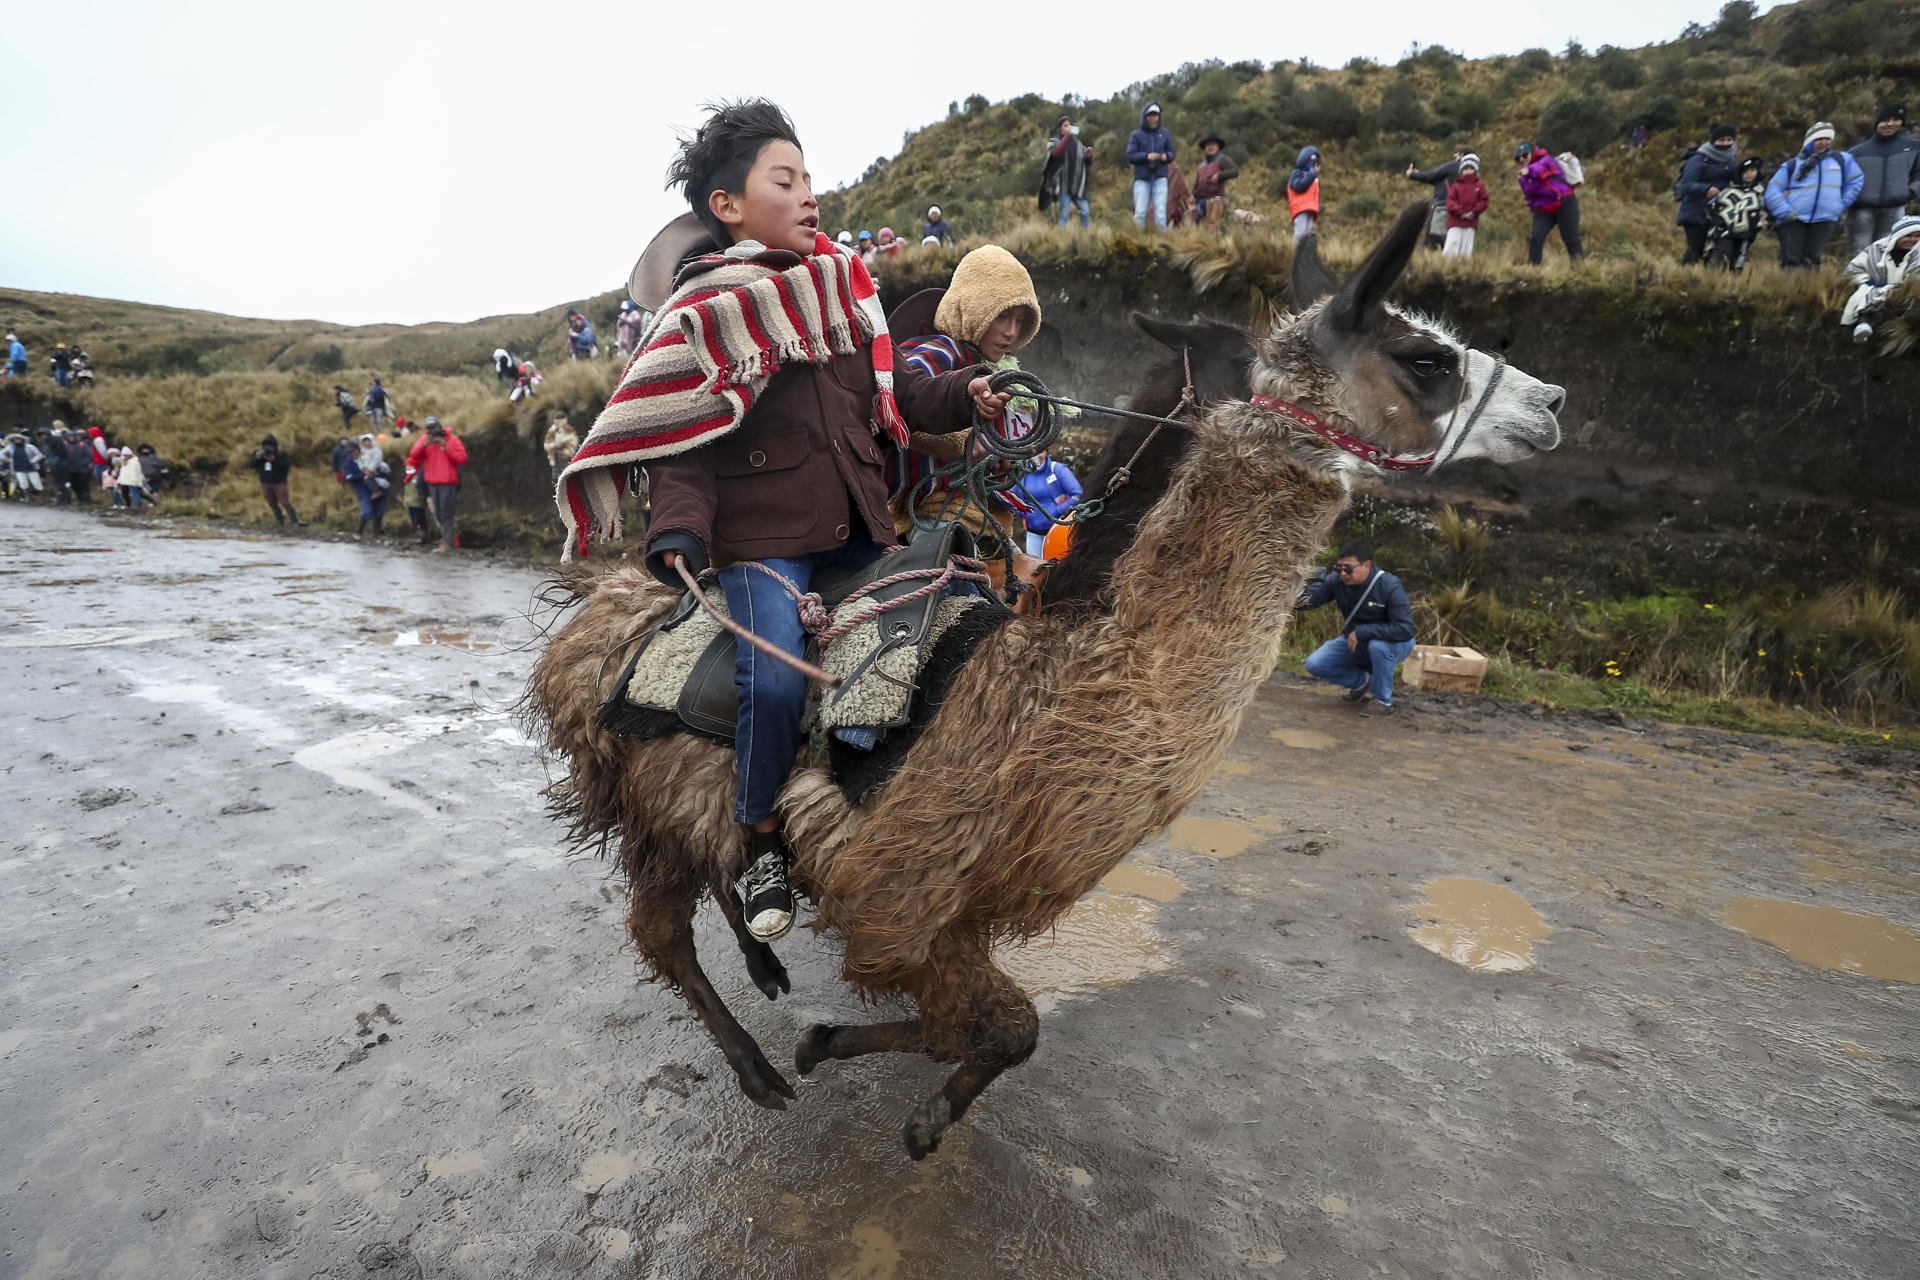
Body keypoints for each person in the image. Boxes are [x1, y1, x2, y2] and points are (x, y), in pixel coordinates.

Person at [556, 99, 1008, 943]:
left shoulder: (842, 289)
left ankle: (896, 819)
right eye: (786, 180)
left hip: (864, 528)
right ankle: (761, 835)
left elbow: (900, 394)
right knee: (771, 679)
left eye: (809, 178)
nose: (809, 195)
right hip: (764, 545)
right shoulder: (704, 316)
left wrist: (964, 393)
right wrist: (678, 533)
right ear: (727, 206)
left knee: (964, 625)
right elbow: (682, 445)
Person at [887, 244, 1045, 590]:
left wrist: (1002, 455)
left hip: (979, 511)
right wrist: (966, 443)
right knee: (961, 596)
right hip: (931, 512)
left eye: (1020, 321)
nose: (1011, 332)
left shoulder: (997, 370)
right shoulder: (935, 351)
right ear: (973, 309)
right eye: (1003, 317)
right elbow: (897, 408)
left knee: (1032, 585)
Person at [1298, 541, 1417, 716]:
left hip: (1394, 642)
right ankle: (1362, 682)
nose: (1343, 573)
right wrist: (1293, 588)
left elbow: (1405, 629)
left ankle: (1382, 700)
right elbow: (1310, 600)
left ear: (1367, 565)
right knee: (1315, 663)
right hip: (1356, 641)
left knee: (1378, 647)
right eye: (1339, 568)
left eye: (1348, 568)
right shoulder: (1337, 581)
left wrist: (1363, 632)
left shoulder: (1389, 586)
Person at [1766, 122, 1865, 269]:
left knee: (1813, 260)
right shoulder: (1792, 164)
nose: (1824, 142)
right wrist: (1784, 211)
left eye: (1827, 138)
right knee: (1790, 260)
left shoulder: (1842, 160)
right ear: (1809, 141)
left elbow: (1855, 181)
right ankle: (1788, 283)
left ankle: (1810, 283)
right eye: (1819, 139)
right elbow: (1773, 189)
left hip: (1825, 218)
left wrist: (1841, 204)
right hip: (1793, 218)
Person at [1847, 105, 1920, 255]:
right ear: (1877, 123)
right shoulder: (1856, 152)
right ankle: (1859, 272)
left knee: (1887, 250)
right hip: (1862, 209)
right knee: (1860, 250)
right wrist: (1852, 198)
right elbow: (1847, 181)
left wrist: (1910, 192)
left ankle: (1883, 273)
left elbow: (1918, 175)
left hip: (1895, 208)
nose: (1890, 124)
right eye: (1885, 120)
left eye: (1896, 120)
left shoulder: (1913, 147)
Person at [1841, 214, 1920, 345]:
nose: (1913, 240)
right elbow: (1853, 269)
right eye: (1908, 235)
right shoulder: (1876, 249)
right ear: (1898, 235)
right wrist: (1867, 281)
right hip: (1878, 287)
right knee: (1867, 292)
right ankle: (1864, 324)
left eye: (1917, 236)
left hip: (1909, 294)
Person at [1677, 124, 1741, 265]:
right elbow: (1686, 184)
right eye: (1721, 140)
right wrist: (1706, 189)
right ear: (1713, 141)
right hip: (1695, 212)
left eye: (1729, 140)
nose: (1726, 143)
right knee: (1696, 248)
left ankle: (1709, 275)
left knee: (1716, 249)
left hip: (1720, 212)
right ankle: (1686, 273)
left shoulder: (1732, 161)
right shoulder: (1698, 159)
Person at [1515, 142, 1584, 264]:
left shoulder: (1546, 160)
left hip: (1564, 202)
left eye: (1524, 155)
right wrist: (1534, 207)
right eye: (1518, 158)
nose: (1521, 159)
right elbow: (1529, 195)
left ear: (1532, 153)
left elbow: (1539, 169)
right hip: (1544, 209)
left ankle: (1580, 268)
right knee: (1536, 238)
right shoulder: (1522, 177)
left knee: (1570, 238)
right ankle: (1533, 269)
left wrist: (1528, 170)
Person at [407, 416, 467, 552]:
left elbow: (462, 459)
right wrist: (424, 445)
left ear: (439, 426)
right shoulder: (424, 440)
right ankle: (448, 538)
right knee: (438, 514)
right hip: (432, 482)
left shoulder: (452, 439)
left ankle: (447, 544)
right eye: (429, 428)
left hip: (447, 482)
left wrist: (445, 446)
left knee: (447, 514)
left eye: (434, 427)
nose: (432, 431)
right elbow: (413, 456)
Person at [1706, 157, 1771, 272]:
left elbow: (1762, 212)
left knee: (1738, 262)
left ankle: (1734, 280)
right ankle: (1716, 279)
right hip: (1726, 232)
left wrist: (1758, 225)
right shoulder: (1729, 190)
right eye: (1745, 172)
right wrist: (1721, 225)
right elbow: (1716, 208)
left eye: (1752, 171)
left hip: (1747, 233)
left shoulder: (1760, 192)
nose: (1749, 174)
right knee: (1722, 258)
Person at [1015, 453, 1081, 557]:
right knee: (1034, 565)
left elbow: (1077, 495)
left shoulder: (1058, 469)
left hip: (1057, 530)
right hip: (1033, 532)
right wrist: (1025, 513)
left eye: (1040, 451)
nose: (1036, 455)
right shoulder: (1022, 472)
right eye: (1032, 451)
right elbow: (1012, 498)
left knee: (1053, 564)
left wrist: (1056, 511)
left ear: (1046, 451)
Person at [1407, 144, 1470, 249]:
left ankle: (1432, 259)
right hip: (1461, 210)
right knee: (1450, 242)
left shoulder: (1453, 166)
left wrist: (1413, 174)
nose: (1454, 156)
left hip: (1443, 206)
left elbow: (1432, 175)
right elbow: (1438, 180)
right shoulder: (1472, 171)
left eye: (1456, 153)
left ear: (1461, 155)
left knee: (1433, 240)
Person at [1040, 115, 1095, 229]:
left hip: (1077, 186)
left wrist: (1088, 156)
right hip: (1062, 185)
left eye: (1070, 125)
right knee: (1065, 211)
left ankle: (1084, 235)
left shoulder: (1079, 145)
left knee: (1085, 211)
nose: (1068, 127)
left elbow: (1087, 164)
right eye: (1065, 125)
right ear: (1060, 129)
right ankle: (1061, 235)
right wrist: (1066, 137)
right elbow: (1055, 153)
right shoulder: (1054, 141)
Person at [1126, 103, 1175, 231]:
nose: (1153, 118)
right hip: (1142, 178)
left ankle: (1163, 240)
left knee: (1160, 213)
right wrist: (1147, 156)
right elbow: (1130, 156)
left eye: (1156, 115)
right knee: (1140, 213)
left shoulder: (1165, 133)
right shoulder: (1136, 135)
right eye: (1150, 115)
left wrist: (1165, 156)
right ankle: (1136, 238)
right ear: (1145, 117)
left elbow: (1172, 153)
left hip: (1160, 177)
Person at [342, 432, 390, 537]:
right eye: (349, 452)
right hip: (362, 490)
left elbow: (383, 470)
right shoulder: (349, 463)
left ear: (358, 449)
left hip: (378, 486)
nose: (352, 453)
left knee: (379, 511)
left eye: (353, 451)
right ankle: (359, 531)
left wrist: (376, 473)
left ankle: (376, 533)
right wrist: (363, 474)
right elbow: (348, 477)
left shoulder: (369, 456)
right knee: (367, 511)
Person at [248, 434, 301, 527]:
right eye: (266, 446)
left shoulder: (281, 454)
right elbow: (251, 465)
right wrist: (257, 458)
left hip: (279, 483)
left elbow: (285, 466)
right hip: (265, 483)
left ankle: (294, 521)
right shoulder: (259, 453)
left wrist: (274, 460)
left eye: (270, 446)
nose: (268, 448)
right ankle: (280, 521)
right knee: (271, 503)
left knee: (285, 502)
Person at [1191, 133, 1239, 231]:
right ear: (1205, 148)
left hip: (1216, 199)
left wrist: (1220, 175)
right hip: (1200, 201)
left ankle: (1213, 235)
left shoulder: (1222, 159)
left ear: (1218, 147)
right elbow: (1197, 184)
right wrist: (1192, 195)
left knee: (1213, 218)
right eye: (1208, 145)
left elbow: (1235, 171)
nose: (1210, 147)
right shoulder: (1201, 166)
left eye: (1213, 144)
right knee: (1189, 216)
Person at [1443, 154, 1488, 257]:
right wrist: (1461, 212)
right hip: (1455, 222)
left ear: (1475, 170)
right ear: (1461, 170)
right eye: (1466, 168)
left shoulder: (1480, 185)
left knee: (1466, 249)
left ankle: (1464, 266)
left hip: (1471, 223)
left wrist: (1474, 212)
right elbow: (1450, 202)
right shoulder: (1456, 186)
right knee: (1452, 245)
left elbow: (1483, 201)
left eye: (1471, 168)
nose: (1468, 171)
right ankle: (1448, 265)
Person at [1288, 146, 1323, 240]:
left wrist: (1317, 207)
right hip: (1300, 208)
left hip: (1310, 209)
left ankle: (1304, 249)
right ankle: (1293, 249)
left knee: (1307, 235)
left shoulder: (1313, 177)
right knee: (1300, 233)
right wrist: (1312, 174)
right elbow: (1298, 187)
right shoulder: (1297, 173)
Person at [543, 413, 579, 484]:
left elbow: (574, 442)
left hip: (565, 455)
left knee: (567, 473)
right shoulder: (552, 431)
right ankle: (557, 483)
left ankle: (567, 482)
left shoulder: (569, 430)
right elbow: (546, 443)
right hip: (555, 455)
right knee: (556, 475)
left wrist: (565, 447)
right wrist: (553, 445)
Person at [6, 431, 43, 499]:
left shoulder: (30, 446)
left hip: (30, 467)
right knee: (23, 483)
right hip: (18, 468)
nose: (17, 440)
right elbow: (1, 454)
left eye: (18, 439)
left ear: (22, 439)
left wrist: (32, 461)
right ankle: (27, 497)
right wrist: (7, 459)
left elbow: (39, 455)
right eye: (15, 439)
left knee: (36, 482)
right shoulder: (10, 448)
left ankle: (40, 497)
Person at [402, 462, 432, 543]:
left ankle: (424, 536)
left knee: (420, 519)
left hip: (418, 503)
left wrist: (423, 498)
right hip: (409, 503)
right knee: (414, 520)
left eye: (409, 466)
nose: (407, 467)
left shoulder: (419, 477)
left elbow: (422, 489)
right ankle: (420, 535)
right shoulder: (408, 478)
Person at [116, 446, 149, 511]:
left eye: (126, 455)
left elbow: (135, 472)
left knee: (135, 494)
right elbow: (122, 473)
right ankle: (129, 505)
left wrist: (133, 481)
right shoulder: (124, 462)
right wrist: (119, 481)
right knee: (125, 494)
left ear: (130, 455)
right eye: (124, 455)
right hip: (125, 481)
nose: (125, 456)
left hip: (133, 482)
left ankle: (138, 506)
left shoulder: (134, 462)